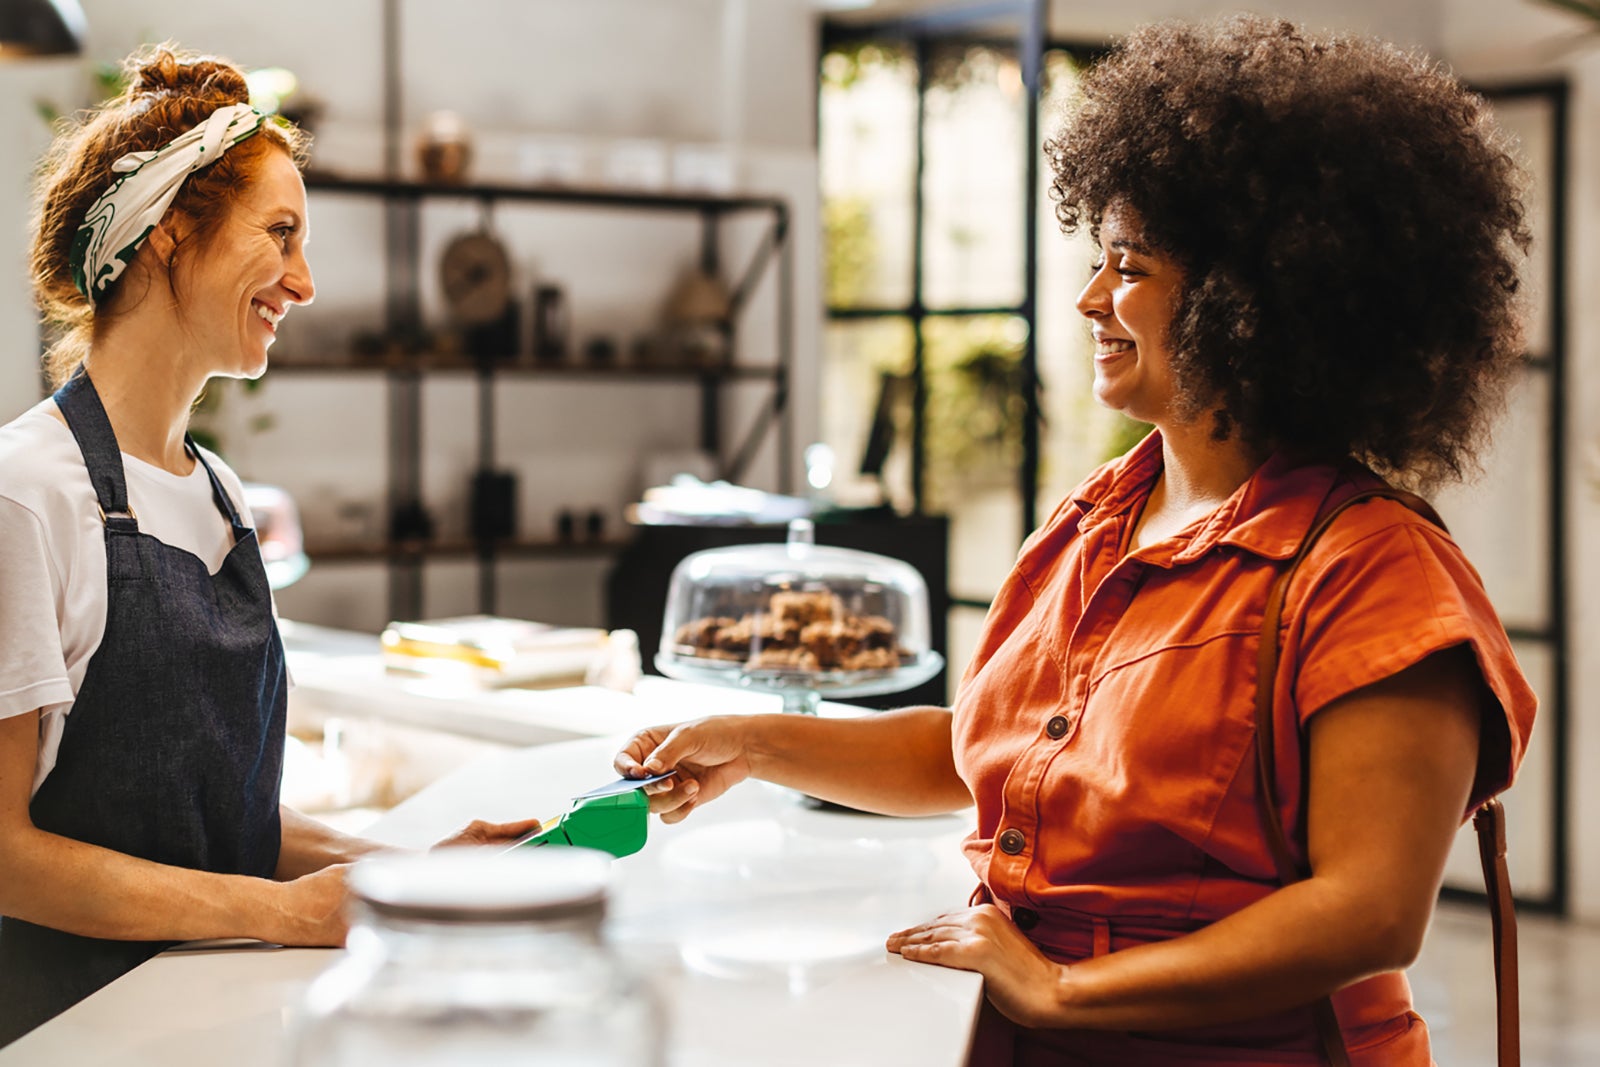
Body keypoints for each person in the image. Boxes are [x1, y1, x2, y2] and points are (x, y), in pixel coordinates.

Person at [616, 16, 1538, 1066]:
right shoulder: (1090, 523)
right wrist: (752, 741)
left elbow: (1370, 911)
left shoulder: (1373, 572)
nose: (1092, 297)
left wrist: (1060, 987)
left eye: (1129, 266)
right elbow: (980, 753)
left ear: (1253, 303)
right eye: (1099, 261)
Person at [0, 46, 540, 1047]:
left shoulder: (220, 495)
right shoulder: (25, 494)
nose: (304, 280)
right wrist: (283, 912)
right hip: (74, 1031)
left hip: (214, 1017)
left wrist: (401, 868)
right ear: (169, 236)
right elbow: (4, 854)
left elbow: (212, 819)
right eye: (280, 234)